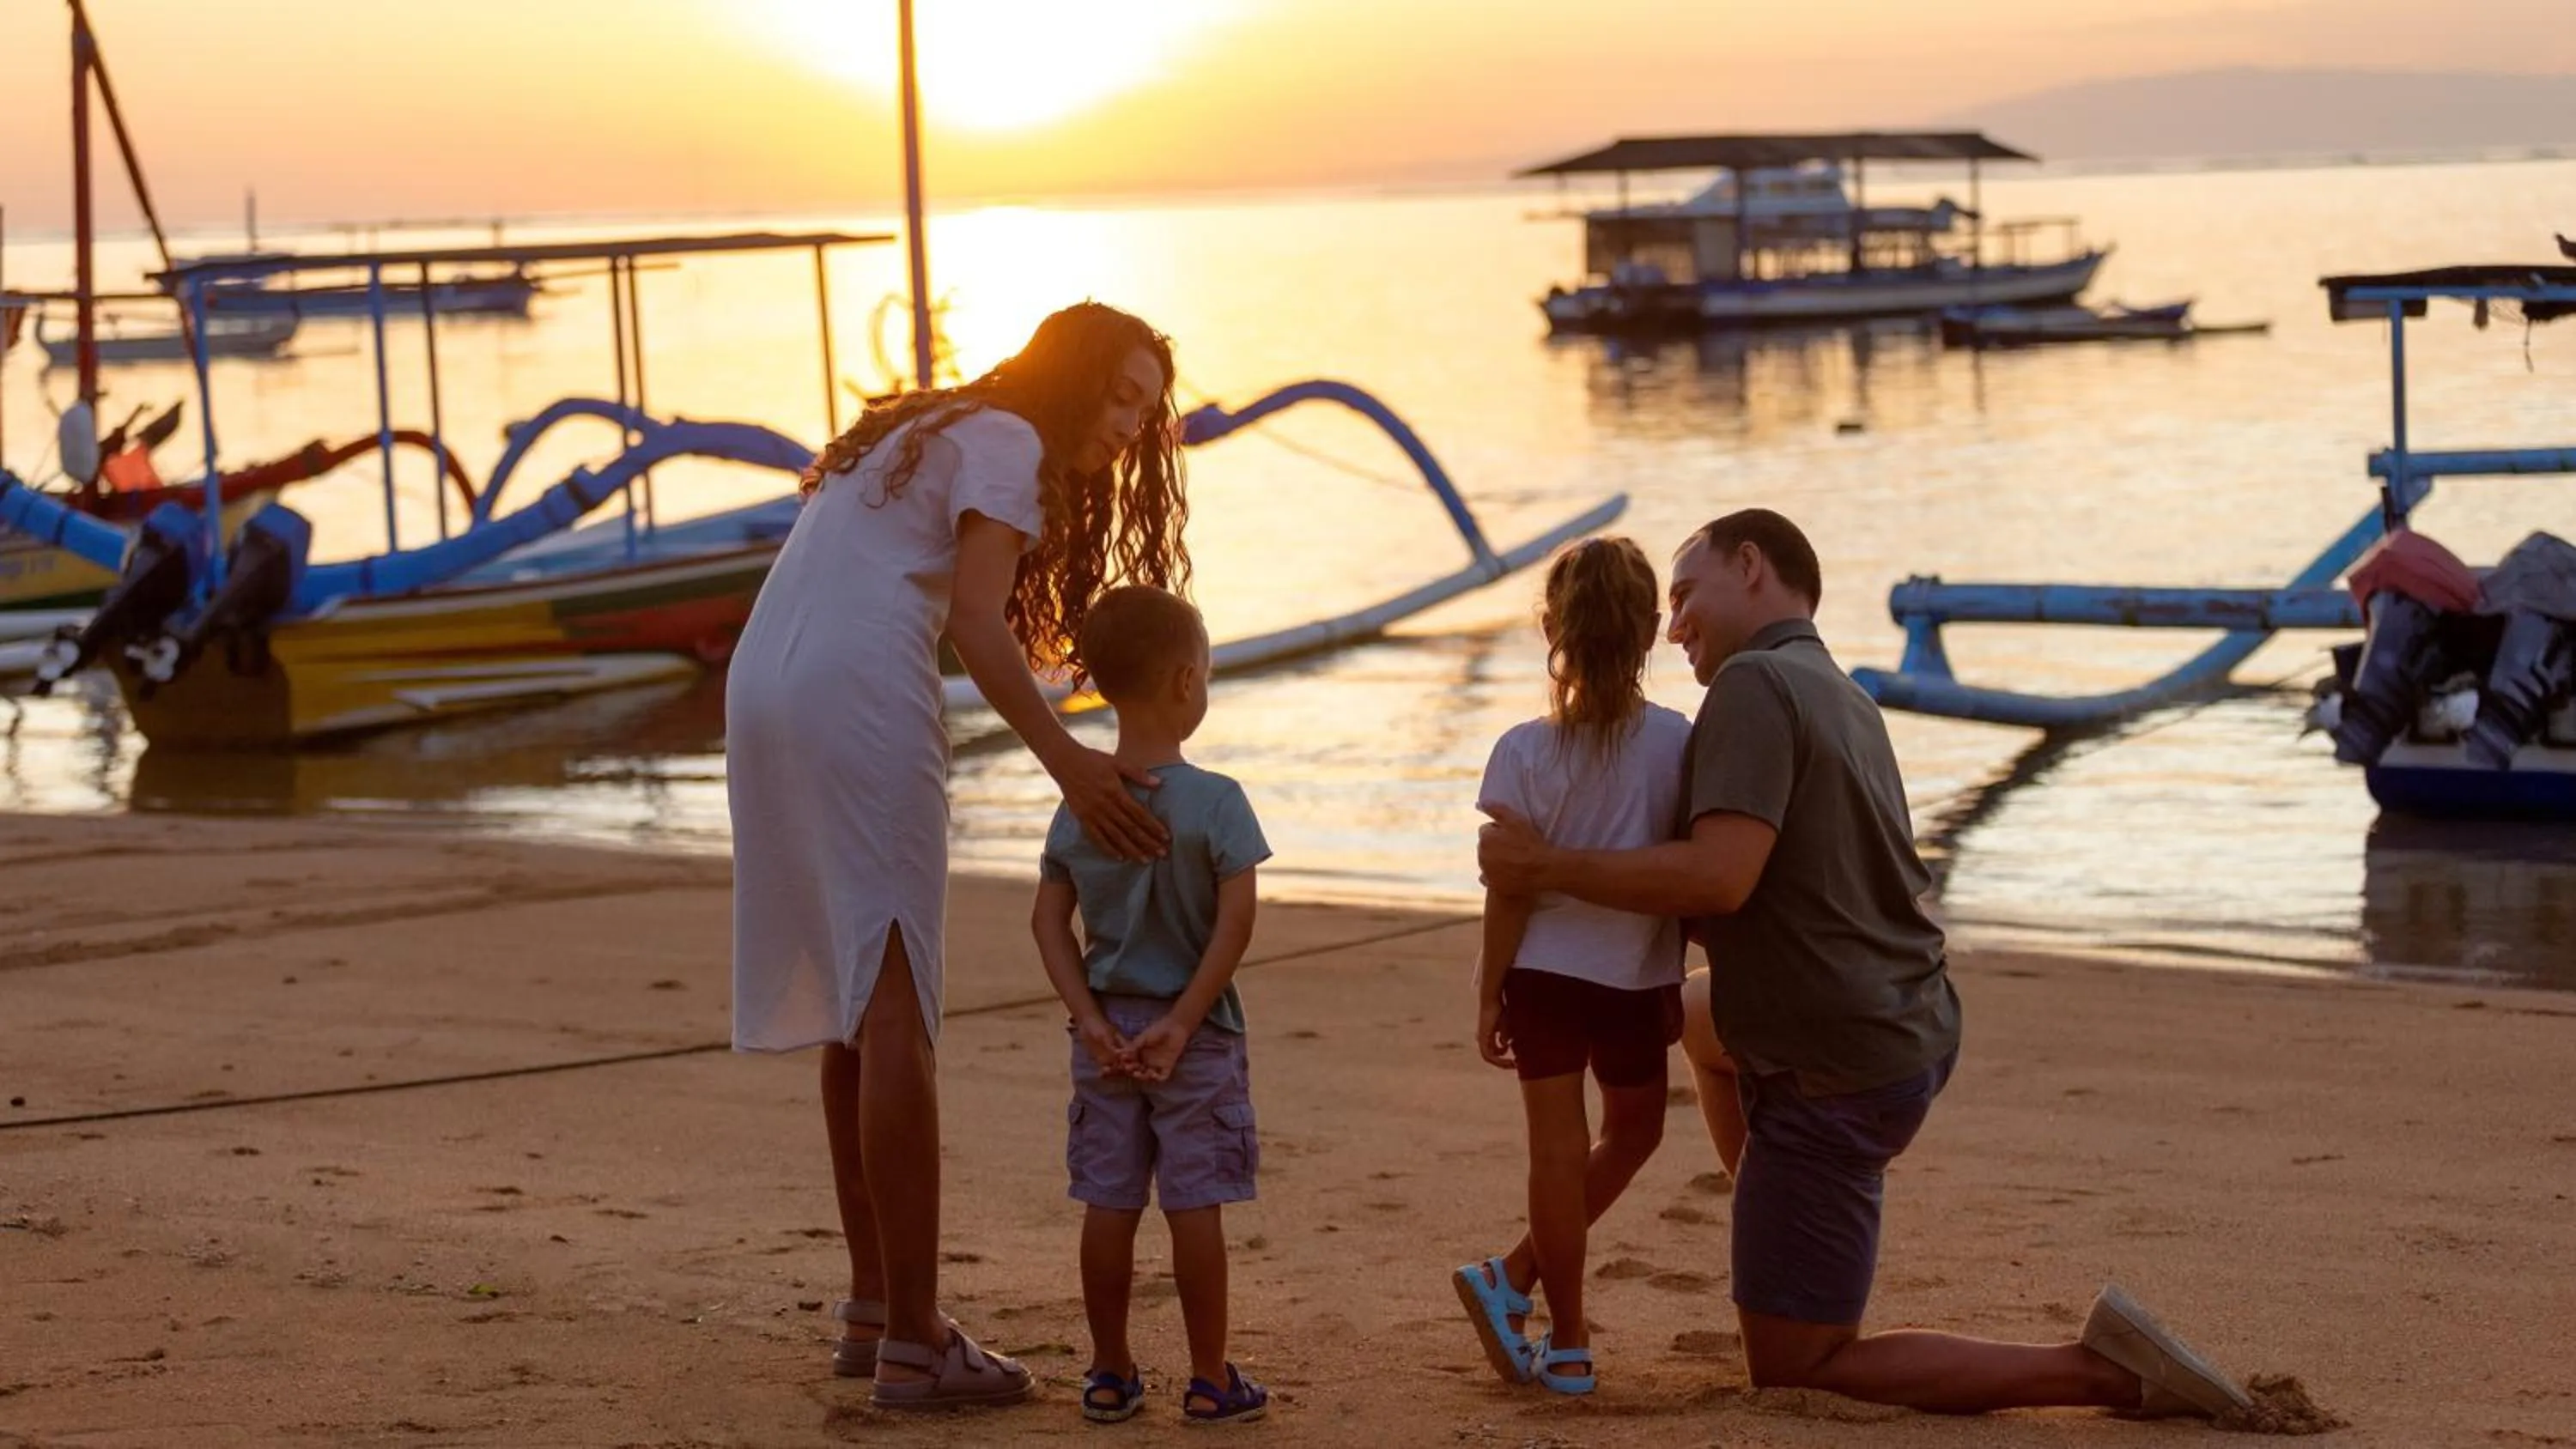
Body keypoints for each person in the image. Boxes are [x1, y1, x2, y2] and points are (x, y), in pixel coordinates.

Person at [1478, 509, 2253, 1420]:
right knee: (1694, 1016)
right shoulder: (1836, 689)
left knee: (1797, 1362)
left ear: (1754, 567)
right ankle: (1773, 1215)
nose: (1674, 623)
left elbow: (1720, 879)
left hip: (1836, 1062)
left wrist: (1548, 868)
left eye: (1686, 595)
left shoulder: (1751, 687)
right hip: (1905, 1016)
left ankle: (2102, 1370)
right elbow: (1792, 888)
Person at [727, 303, 1188, 1410]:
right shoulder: (1013, 442)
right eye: (1121, 395)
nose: (1130, 424)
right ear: (1074, 377)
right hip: (858, 692)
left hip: (764, 687)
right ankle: (920, 1340)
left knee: (856, 996)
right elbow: (980, 624)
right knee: (895, 998)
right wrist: (1073, 766)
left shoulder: (931, 425)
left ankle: (876, 1304)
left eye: (1145, 406)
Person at [1449, 537, 1693, 1397]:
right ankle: (1541, 1311)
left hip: (1544, 973)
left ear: (1549, 626)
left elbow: (1508, 892)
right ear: (1654, 630)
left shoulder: (1521, 749)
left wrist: (1488, 990)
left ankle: (1565, 1331)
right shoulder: (1678, 743)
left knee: (1557, 1153)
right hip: (1633, 974)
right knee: (1633, 1131)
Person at [1031, 585, 1272, 1427]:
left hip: (1106, 1036)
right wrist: (1185, 1019)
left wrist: (1090, 1017)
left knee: (1110, 1199)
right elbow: (1235, 924)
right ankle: (1210, 1376)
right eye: (1204, 674)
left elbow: (1048, 921)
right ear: (1182, 682)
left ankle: (1108, 1370)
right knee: (1193, 1202)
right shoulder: (1219, 801)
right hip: (1192, 1036)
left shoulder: (1084, 796)